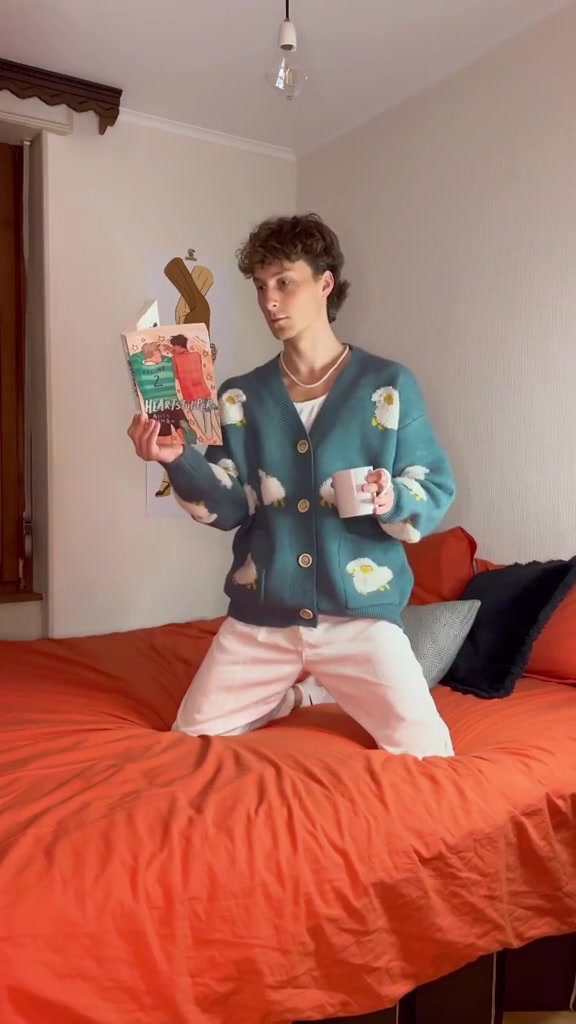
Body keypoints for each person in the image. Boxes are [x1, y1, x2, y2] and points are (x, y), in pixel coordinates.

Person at [128, 213, 456, 757]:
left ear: (325, 283)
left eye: (284, 282)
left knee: (429, 756)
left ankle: (311, 691)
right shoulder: (239, 397)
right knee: (188, 743)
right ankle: (294, 695)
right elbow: (228, 505)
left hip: (360, 618)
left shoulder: (388, 385)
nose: (270, 301)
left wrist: (391, 496)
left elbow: (434, 486)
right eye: (260, 287)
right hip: (262, 616)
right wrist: (178, 459)